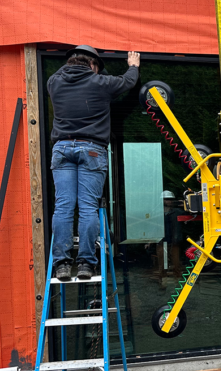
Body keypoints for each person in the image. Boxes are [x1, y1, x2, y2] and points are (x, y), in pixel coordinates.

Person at [48, 45, 140, 281]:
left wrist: (73, 61)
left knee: (63, 207)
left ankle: (61, 265)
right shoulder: (100, 83)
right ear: (92, 65)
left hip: (62, 149)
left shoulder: (54, 83)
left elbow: (59, 73)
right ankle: (86, 264)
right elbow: (127, 82)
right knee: (88, 207)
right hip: (91, 150)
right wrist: (133, 66)